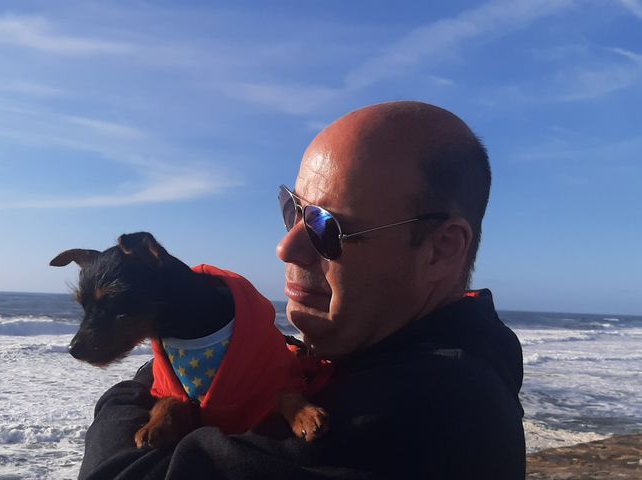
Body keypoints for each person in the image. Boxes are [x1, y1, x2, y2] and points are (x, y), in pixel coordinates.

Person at [78, 101, 525, 479]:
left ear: (441, 249)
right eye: (293, 210)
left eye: (328, 227)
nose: (286, 248)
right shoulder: (376, 356)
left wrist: (125, 396)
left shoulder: (427, 412)